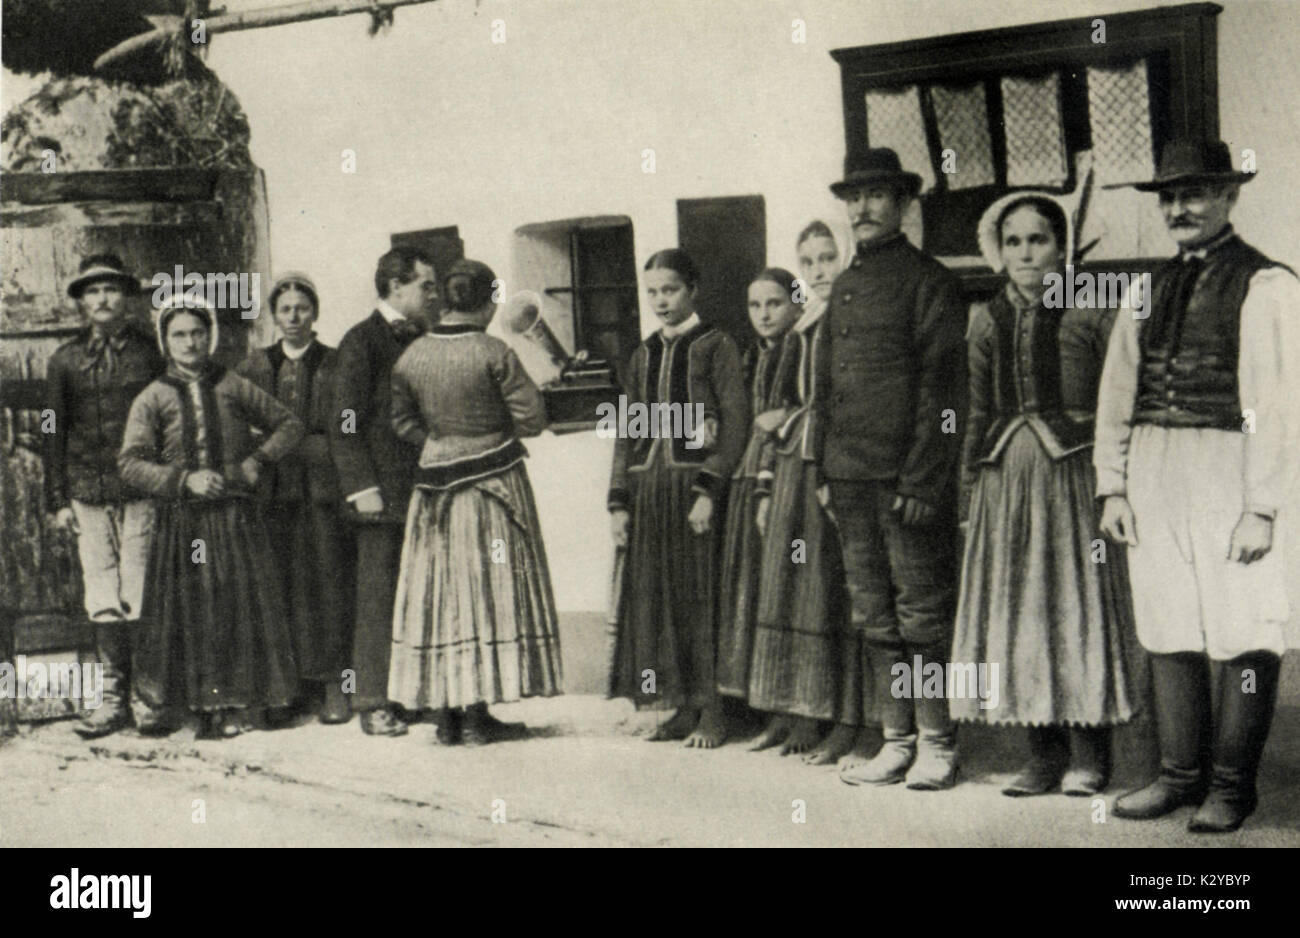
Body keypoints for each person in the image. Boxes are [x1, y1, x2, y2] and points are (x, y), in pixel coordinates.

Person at [1095, 139, 1300, 832]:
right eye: (1169, 197)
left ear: (1230, 197)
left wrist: (1262, 508)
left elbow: (1277, 409)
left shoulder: (1267, 284)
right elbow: (1116, 395)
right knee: (1167, 621)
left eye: (1195, 194)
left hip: (1230, 467)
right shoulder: (1144, 289)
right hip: (1155, 469)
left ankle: (1232, 785)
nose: (1179, 208)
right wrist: (1112, 487)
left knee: (1244, 626)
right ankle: (1179, 776)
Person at [951, 193, 1140, 797]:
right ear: (999, 251)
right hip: (1005, 481)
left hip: (1073, 477)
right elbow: (977, 409)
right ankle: (1042, 752)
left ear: (1061, 248)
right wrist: (968, 489)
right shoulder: (985, 317)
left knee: (1073, 605)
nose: (1026, 253)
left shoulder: (1091, 310)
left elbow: (1120, 399)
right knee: (1019, 611)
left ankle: (1090, 753)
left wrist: (1120, 481)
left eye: (1038, 240)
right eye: (1014, 242)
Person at [818, 149, 968, 790]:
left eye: (877, 195)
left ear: (903, 203)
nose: (862, 208)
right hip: (849, 479)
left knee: (923, 616)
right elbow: (825, 386)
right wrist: (824, 469)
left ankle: (938, 743)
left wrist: (923, 479)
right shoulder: (845, 285)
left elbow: (944, 392)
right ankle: (896, 739)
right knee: (873, 615)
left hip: (905, 483)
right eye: (854, 197)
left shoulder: (929, 280)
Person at [386, 259, 562, 743]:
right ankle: (478, 717)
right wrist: (486, 432)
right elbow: (531, 420)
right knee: (488, 591)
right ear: (487, 303)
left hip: (434, 494)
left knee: (439, 594)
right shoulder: (494, 351)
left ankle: (446, 718)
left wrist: (441, 440)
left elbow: (401, 423)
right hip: (492, 489)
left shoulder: (411, 356)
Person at [118, 295, 305, 739]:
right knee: (192, 608)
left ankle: (244, 702)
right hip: (184, 526)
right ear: (166, 340)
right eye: (179, 334)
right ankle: (198, 706)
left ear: (211, 336)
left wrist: (254, 463)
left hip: (235, 520)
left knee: (238, 606)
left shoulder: (232, 384)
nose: (189, 342)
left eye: (197, 332)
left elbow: (288, 424)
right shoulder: (153, 397)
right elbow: (129, 463)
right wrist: (183, 481)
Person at [607, 249, 749, 748]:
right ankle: (680, 706)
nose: (660, 301)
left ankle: (713, 710)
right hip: (649, 490)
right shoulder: (642, 354)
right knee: (658, 598)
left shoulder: (717, 345)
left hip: (693, 490)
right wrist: (619, 501)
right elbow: (628, 429)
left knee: (699, 598)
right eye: (652, 292)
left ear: (692, 290)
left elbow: (735, 424)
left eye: (669, 290)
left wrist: (710, 488)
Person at [749, 221, 867, 764]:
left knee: (840, 594)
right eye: (810, 261)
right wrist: (770, 482)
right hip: (799, 467)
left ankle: (849, 722)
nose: (820, 271)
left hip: (839, 466)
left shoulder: (856, 319)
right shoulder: (803, 330)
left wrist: (792, 420)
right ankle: (797, 708)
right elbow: (783, 413)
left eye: (828, 258)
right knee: (798, 589)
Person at [44, 253, 164, 738]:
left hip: (140, 492)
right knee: (103, 595)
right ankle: (111, 699)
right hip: (87, 493)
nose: (102, 298)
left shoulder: (149, 354)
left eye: (111, 289)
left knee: (139, 590)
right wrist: (56, 500)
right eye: (92, 291)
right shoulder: (66, 360)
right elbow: (53, 431)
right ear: (81, 302)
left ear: (127, 298)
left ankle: (148, 698)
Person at [237, 272, 354, 724]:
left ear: (315, 312)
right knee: (278, 585)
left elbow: (348, 422)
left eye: (302, 308)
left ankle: (333, 686)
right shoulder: (253, 366)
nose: (293, 317)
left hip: (321, 491)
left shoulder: (336, 361)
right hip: (271, 491)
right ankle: (285, 690)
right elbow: (239, 421)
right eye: (285, 309)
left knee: (326, 584)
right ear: (273, 315)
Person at [331, 247, 437, 737]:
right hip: (380, 493)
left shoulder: (426, 338)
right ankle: (372, 702)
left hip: (424, 488)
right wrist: (361, 487)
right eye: (426, 286)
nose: (433, 295)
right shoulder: (361, 341)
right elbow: (344, 421)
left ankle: (412, 696)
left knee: (417, 595)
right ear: (396, 286)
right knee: (376, 599)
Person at [715, 267, 801, 738]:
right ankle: (759, 706)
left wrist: (783, 417)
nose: (764, 314)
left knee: (782, 589)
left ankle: (792, 710)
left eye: (774, 303)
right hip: (750, 474)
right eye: (755, 305)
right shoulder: (752, 356)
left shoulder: (802, 348)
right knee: (749, 587)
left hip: (787, 475)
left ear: (794, 303)